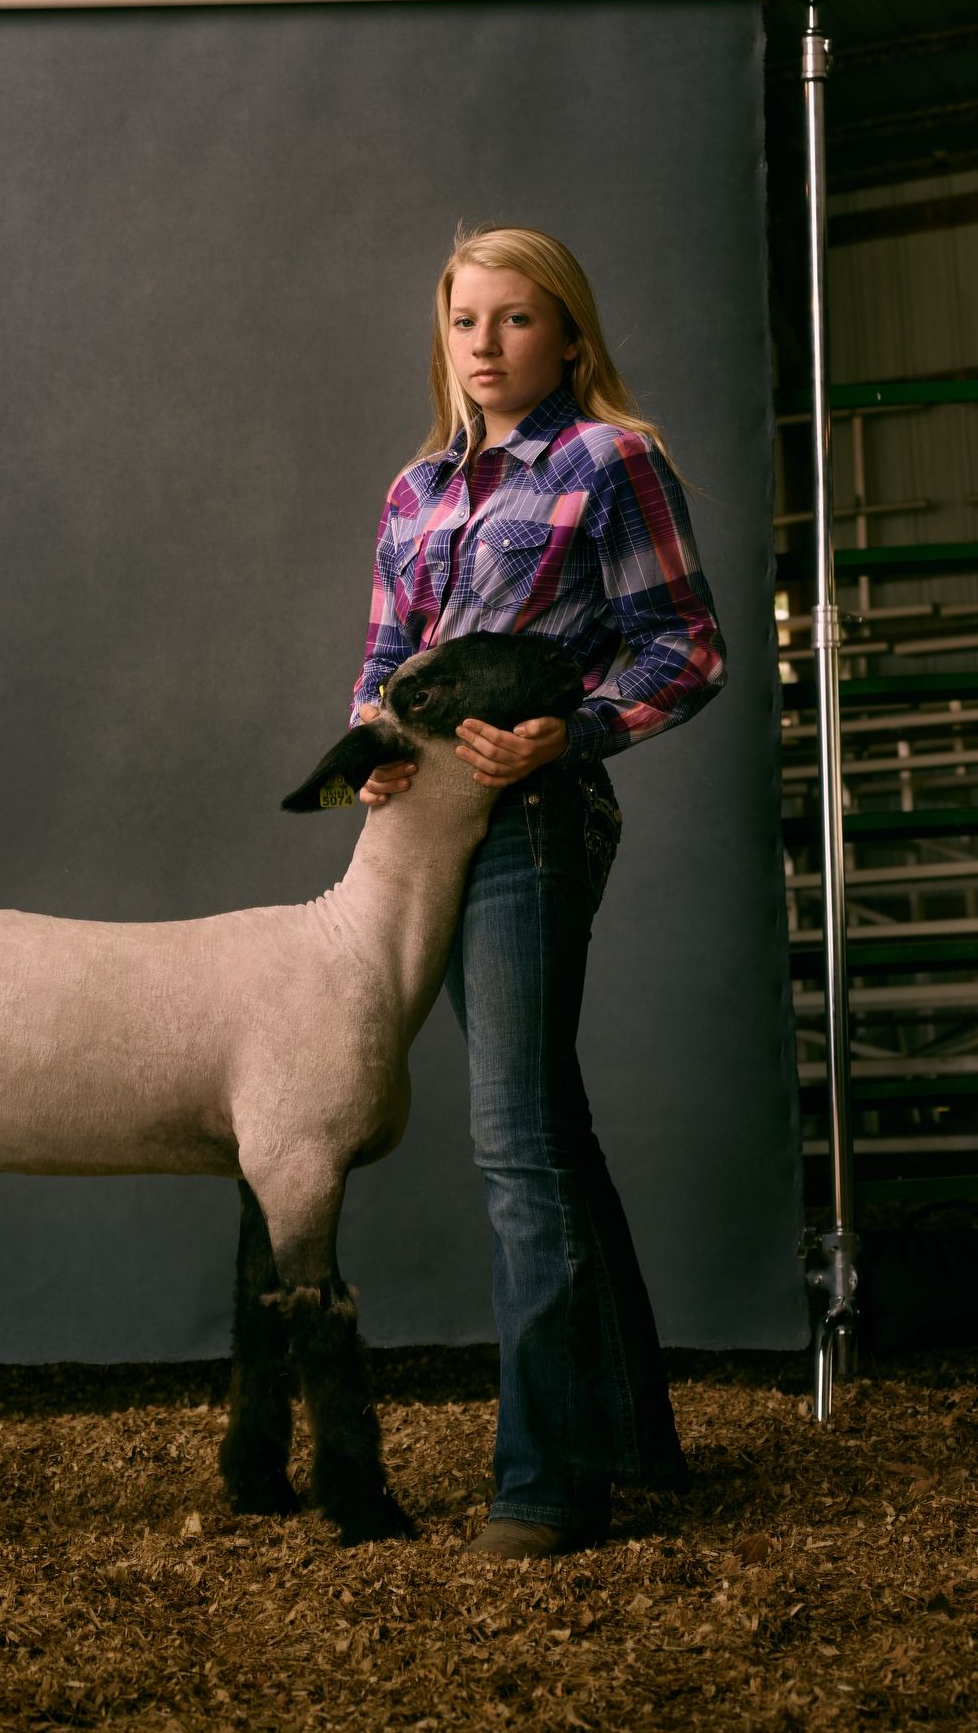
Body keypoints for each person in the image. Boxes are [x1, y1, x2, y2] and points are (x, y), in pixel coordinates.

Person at [350, 224, 726, 1560]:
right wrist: (376, 755)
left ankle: (549, 1484)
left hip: (538, 820)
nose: (489, 346)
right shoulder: (415, 490)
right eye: (467, 322)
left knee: (514, 1139)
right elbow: (385, 661)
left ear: (568, 336)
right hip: (424, 834)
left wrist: (578, 731)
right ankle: (631, 1434)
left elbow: (686, 647)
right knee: (547, 1128)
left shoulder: (612, 460)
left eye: (518, 321)